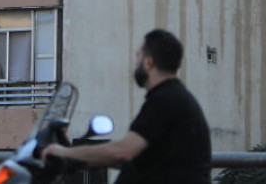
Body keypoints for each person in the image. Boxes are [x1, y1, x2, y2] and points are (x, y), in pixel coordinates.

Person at [42, 29, 212, 184]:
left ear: (149, 63)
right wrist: (78, 160)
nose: (135, 63)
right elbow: (139, 156)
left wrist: (64, 153)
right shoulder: (173, 98)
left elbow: (122, 151)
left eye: (138, 56)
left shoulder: (166, 101)